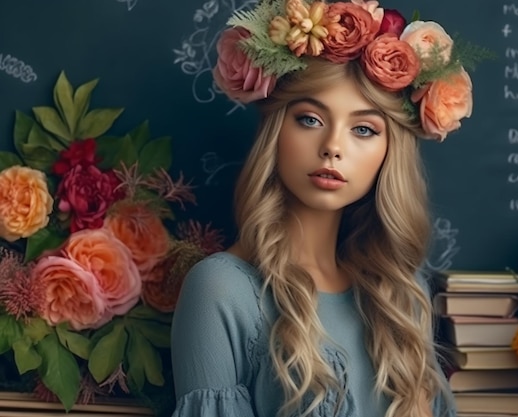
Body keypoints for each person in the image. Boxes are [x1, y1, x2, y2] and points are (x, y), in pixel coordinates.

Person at [171, 0, 477, 416]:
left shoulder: (401, 294)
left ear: (389, 152)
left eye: (364, 129)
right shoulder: (222, 290)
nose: (333, 146)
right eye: (310, 119)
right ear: (277, 130)